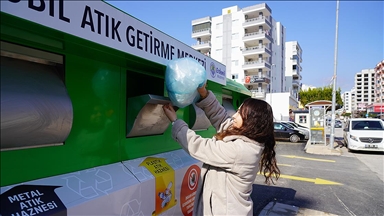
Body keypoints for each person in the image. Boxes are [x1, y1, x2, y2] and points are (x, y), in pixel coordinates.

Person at [162, 83, 280, 216]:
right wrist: (204, 94)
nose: (234, 116)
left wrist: (175, 122)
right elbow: (222, 119)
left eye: (240, 113)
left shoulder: (241, 151)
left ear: (251, 122)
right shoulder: (248, 140)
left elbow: (200, 147)